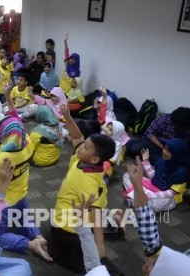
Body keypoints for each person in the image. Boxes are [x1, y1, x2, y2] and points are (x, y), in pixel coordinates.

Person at [49, 104, 124, 275]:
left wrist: (100, 248)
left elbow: (95, 215)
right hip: (73, 226)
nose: (81, 146)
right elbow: (77, 137)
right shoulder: (82, 159)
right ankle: (113, 221)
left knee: (99, 268)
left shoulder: (90, 183)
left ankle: (112, 225)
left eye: (86, 146)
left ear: (95, 158)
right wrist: (67, 116)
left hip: (68, 232)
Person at [0, 84, 52, 262]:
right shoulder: (28, 143)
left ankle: (29, 244)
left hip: (5, 201)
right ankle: (38, 237)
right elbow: (16, 119)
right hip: (22, 192)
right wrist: (8, 97)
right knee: (23, 216)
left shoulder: (3, 158)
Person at [127, 156, 190, 276]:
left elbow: (150, 237)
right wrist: (138, 185)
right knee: (127, 177)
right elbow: (150, 238)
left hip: (166, 198)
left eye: (153, 266)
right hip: (153, 190)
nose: (147, 262)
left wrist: (141, 189)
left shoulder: (182, 172)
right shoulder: (162, 162)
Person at [123, 138, 190, 212]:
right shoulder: (162, 161)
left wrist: (150, 196)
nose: (164, 152)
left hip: (167, 196)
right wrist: (146, 160)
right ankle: (139, 200)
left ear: (177, 154)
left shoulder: (182, 173)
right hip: (152, 186)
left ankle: (137, 200)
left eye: (168, 151)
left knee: (159, 204)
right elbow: (153, 176)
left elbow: (171, 193)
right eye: (164, 148)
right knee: (127, 175)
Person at [126, 107, 190, 167]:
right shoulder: (165, 118)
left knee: (166, 165)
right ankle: (130, 143)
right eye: (176, 127)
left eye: (181, 128)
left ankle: (148, 156)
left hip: (175, 152)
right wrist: (163, 148)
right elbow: (149, 133)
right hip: (157, 144)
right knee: (134, 148)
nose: (177, 129)